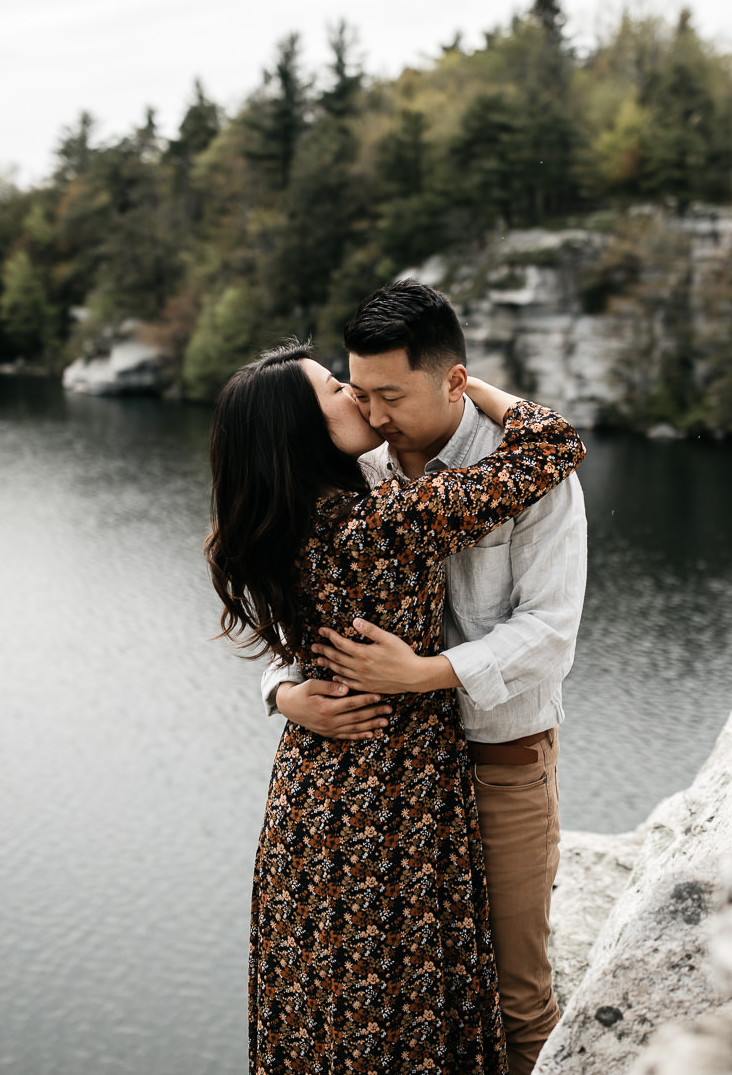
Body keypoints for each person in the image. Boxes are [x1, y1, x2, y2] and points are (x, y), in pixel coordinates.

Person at [208, 340, 585, 1075]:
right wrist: (473, 386)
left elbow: (292, 648)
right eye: (337, 393)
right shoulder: (379, 526)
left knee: (318, 1007)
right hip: (388, 800)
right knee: (410, 1016)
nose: (358, 400)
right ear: (300, 432)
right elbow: (552, 445)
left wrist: (287, 692)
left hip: (312, 799)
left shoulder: (284, 529)